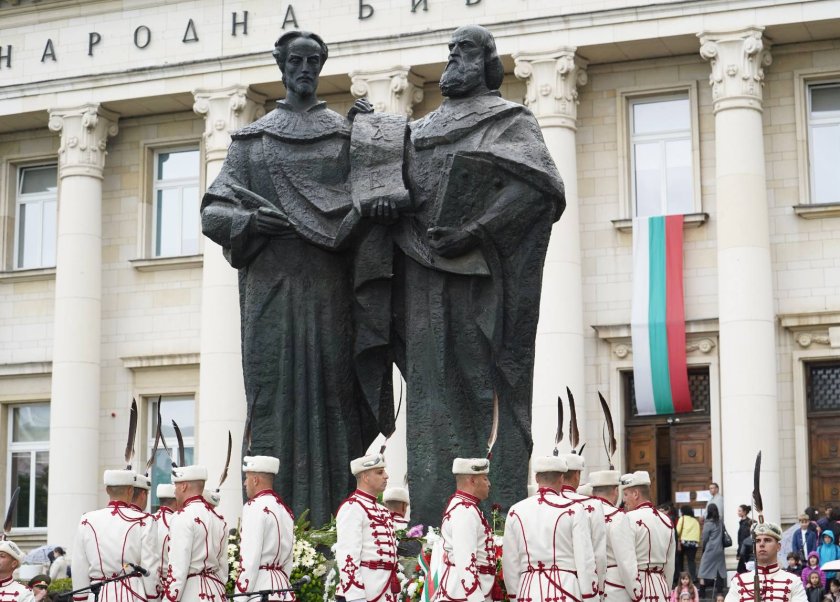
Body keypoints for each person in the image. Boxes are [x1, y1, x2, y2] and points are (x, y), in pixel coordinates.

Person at [201, 29, 392, 527]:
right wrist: (248, 222)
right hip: (272, 287)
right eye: (296, 61)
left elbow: (377, 191)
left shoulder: (342, 133)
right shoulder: (252, 141)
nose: (304, 69)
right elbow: (214, 211)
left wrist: (372, 140)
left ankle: (338, 522)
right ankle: (275, 521)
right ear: (281, 66)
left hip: (331, 286)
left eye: (313, 61)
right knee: (275, 396)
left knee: (337, 394)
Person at [396, 23, 565, 525]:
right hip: (421, 277)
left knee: (477, 383)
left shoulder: (511, 121)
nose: (452, 58)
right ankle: (430, 516)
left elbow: (538, 191)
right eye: (449, 50)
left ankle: (489, 508)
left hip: (481, 280)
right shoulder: (418, 130)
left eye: (464, 50)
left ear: (487, 63)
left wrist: (475, 230)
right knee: (429, 393)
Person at [502, 456, 597, 602]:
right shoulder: (575, 509)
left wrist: (515, 595)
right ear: (561, 479)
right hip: (565, 589)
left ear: (536, 478)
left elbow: (510, 562)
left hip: (528, 591)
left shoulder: (516, 511)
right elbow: (585, 560)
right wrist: (590, 597)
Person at [71, 469, 157, 601]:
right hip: (132, 594)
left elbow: (79, 566)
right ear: (130, 490)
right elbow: (149, 567)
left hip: (98, 595)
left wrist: (80, 598)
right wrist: (153, 598)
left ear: (107, 490)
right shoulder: (145, 520)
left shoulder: (87, 520)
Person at [335, 453, 399, 602]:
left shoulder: (382, 510)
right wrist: (355, 596)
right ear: (365, 477)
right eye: (379, 472)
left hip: (385, 591)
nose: (386, 476)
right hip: (362, 592)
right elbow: (348, 556)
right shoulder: (352, 507)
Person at [433, 458, 497, 602]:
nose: (489, 484)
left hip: (464, 591)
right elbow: (465, 558)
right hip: (463, 594)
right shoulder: (464, 510)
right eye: (485, 479)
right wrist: (475, 597)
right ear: (473, 481)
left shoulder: (466, 507)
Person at [234, 455, 295, 601]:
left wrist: (240, 596)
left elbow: (250, 558)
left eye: (247, 478)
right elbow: (289, 559)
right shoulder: (284, 509)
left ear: (255, 480)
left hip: (260, 590)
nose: (244, 483)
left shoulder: (253, 507)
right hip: (282, 589)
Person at [165, 464, 228, 601]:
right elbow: (223, 569)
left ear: (184, 486)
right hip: (216, 592)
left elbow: (178, 569)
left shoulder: (181, 517)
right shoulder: (219, 520)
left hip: (191, 593)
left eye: (176, 486)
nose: (174, 491)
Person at [621, 471, 676, 602]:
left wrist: (634, 592)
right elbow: (670, 564)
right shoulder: (667, 520)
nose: (623, 500)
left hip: (638, 587)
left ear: (636, 494)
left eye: (626, 494)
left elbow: (626, 562)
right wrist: (666, 589)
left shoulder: (628, 519)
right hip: (661, 587)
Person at [724, 522, 807, 602]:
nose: (762, 544)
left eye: (767, 540)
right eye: (757, 541)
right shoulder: (738, 582)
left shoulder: (794, 581)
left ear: (778, 547)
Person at [560, 454, 607, 595]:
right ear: (577, 475)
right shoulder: (592, 504)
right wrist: (598, 590)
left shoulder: (540, 504)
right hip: (578, 586)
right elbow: (598, 554)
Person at [590, 469, 639, 602]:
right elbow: (626, 561)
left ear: (593, 492)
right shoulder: (617, 517)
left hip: (587, 588)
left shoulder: (581, 513)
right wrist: (637, 593)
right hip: (614, 589)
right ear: (616, 491)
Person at [148, 483, 177, 601]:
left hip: (148, 587)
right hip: (172, 588)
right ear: (176, 500)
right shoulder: (177, 521)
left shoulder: (147, 519)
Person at [698, 503, 727, 597]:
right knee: (719, 570)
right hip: (720, 549)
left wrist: (704, 548)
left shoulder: (708, 523)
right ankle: (720, 593)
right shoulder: (720, 522)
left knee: (702, 570)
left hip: (710, 549)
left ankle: (702, 593)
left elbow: (705, 538)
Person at [676, 506, 701, 585]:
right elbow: (698, 532)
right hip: (694, 543)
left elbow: (677, 531)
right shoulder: (695, 521)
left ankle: (681, 578)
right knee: (691, 560)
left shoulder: (682, 518)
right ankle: (693, 577)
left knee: (680, 560)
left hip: (684, 542)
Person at [736, 505, 753, 574]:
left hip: (746, 552)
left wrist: (740, 553)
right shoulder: (742, 523)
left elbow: (744, 540)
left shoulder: (747, 523)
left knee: (742, 571)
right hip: (743, 550)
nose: (738, 512)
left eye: (740, 511)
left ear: (744, 512)